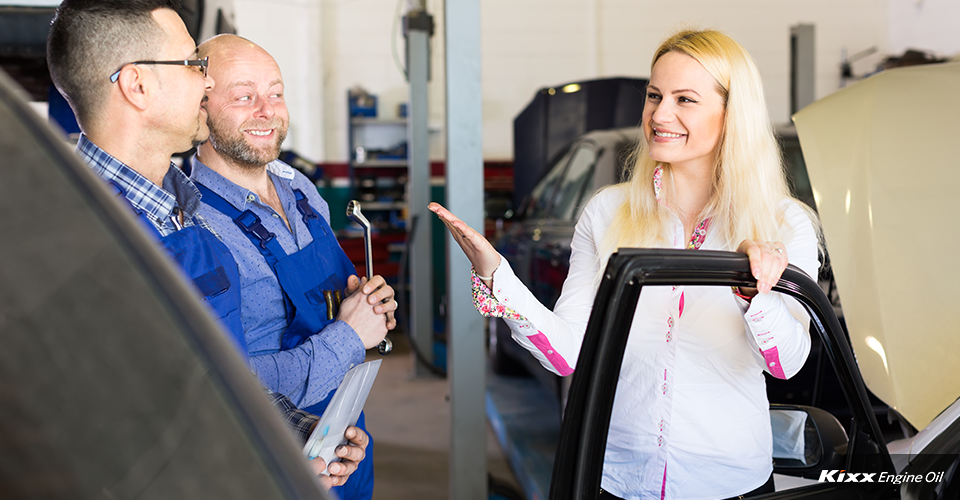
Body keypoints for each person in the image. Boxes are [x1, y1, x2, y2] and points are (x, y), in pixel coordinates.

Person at [430, 29, 821, 500]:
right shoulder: (607, 212)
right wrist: (498, 278)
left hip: (729, 481)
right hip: (619, 478)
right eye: (654, 95)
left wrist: (755, 292)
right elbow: (569, 353)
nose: (660, 114)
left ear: (732, 114)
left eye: (685, 99)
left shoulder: (783, 224)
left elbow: (788, 365)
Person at [45, 0, 366, 489]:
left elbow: (220, 386)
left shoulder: (181, 214)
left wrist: (302, 438)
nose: (207, 82)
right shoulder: (82, 241)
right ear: (137, 85)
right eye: (194, 65)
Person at [188, 34, 396, 500]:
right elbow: (227, 383)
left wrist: (368, 306)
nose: (267, 110)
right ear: (201, 108)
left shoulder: (299, 188)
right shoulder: (197, 228)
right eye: (244, 96)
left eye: (276, 93)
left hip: (346, 437)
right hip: (283, 456)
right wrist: (349, 335)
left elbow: (334, 301)